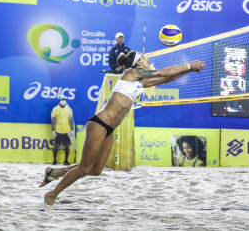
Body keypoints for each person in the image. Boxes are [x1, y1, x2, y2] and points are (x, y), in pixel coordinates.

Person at [41, 50, 205, 205]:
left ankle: (56, 172)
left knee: (96, 170)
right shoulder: (131, 73)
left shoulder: (140, 80)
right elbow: (165, 72)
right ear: (139, 63)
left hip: (109, 130)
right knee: (84, 169)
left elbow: (167, 78)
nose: (149, 60)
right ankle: (51, 195)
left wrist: (189, 71)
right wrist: (190, 65)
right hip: (99, 124)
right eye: (146, 58)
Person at [51, 95, 74, 166]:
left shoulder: (68, 109)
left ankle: (66, 161)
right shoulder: (55, 109)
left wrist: (72, 129)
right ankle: (55, 160)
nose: (63, 101)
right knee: (56, 146)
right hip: (58, 130)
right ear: (59, 101)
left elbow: (71, 120)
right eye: (61, 100)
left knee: (67, 146)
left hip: (66, 130)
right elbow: (53, 120)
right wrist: (53, 130)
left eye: (64, 99)